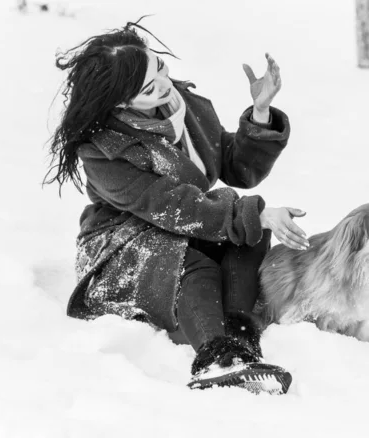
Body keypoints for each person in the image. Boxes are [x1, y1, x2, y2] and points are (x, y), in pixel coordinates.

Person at [44, 19, 310, 395]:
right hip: (121, 243)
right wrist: (250, 212)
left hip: (180, 222)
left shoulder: (184, 106)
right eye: (151, 88)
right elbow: (170, 204)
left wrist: (261, 112)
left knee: (251, 233)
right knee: (194, 256)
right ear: (122, 102)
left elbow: (233, 165)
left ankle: (239, 339)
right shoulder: (103, 150)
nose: (165, 85)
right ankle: (214, 359)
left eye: (160, 68)